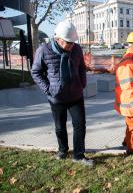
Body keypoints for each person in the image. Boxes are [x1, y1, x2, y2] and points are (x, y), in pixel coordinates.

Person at [31, 21, 93, 166]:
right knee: (60, 126)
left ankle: (78, 155)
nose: (71, 46)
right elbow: (36, 72)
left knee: (80, 125)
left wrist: (82, 83)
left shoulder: (77, 49)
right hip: (56, 98)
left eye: (73, 42)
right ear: (57, 39)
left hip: (76, 96)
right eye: (68, 43)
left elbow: (82, 67)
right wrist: (48, 90)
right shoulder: (44, 50)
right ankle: (63, 151)